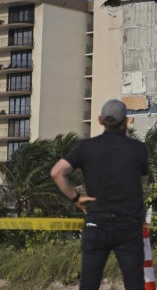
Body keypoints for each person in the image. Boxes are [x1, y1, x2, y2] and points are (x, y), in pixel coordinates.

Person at [51, 99, 149, 290]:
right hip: (128, 224)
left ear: (99, 120)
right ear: (127, 121)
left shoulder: (86, 147)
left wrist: (77, 198)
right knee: (134, 283)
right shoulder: (139, 149)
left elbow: (57, 172)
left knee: (89, 283)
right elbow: (142, 183)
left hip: (96, 221)